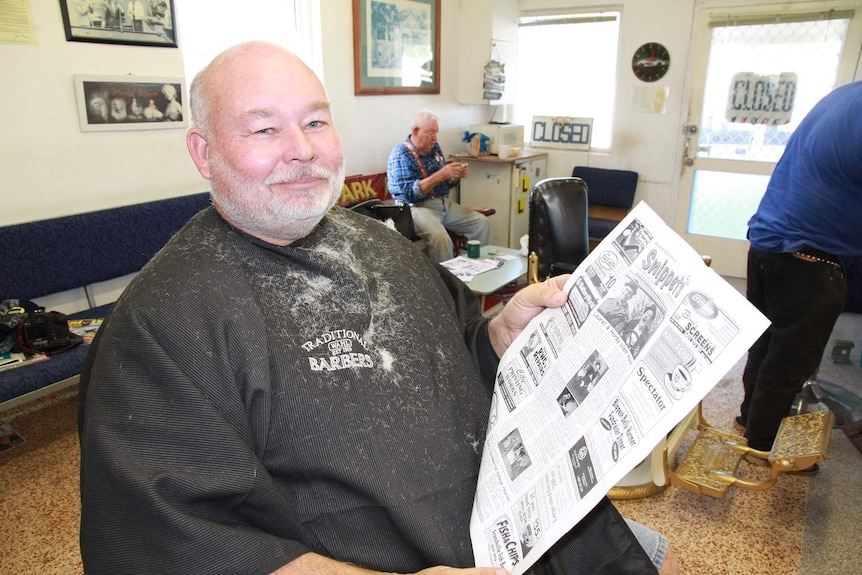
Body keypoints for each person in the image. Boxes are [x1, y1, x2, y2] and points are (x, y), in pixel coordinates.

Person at [78, 41, 676, 575]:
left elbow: (459, 344)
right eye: (264, 130)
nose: (301, 150)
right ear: (203, 152)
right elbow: (179, 543)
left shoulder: (382, 245)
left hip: (518, 518)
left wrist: (498, 334)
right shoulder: (165, 323)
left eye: (316, 121)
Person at [738, 81, 862, 465]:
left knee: (767, 343)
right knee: (790, 358)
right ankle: (764, 445)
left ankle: (751, 422)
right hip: (810, 256)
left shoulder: (847, 95)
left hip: (768, 242)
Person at [387, 109, 491, 263]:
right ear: (416, 131)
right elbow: (408, 193)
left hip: (442, 204)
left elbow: (443, 186)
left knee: (481, 223)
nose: (435, 137)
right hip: (416, 208)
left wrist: (454, 177)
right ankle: (446, 283)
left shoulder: (434, 148)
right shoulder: (401, 153)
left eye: (436, 132)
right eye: (430, 133)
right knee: (441, 238)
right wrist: (441, 174)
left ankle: (471, 269)